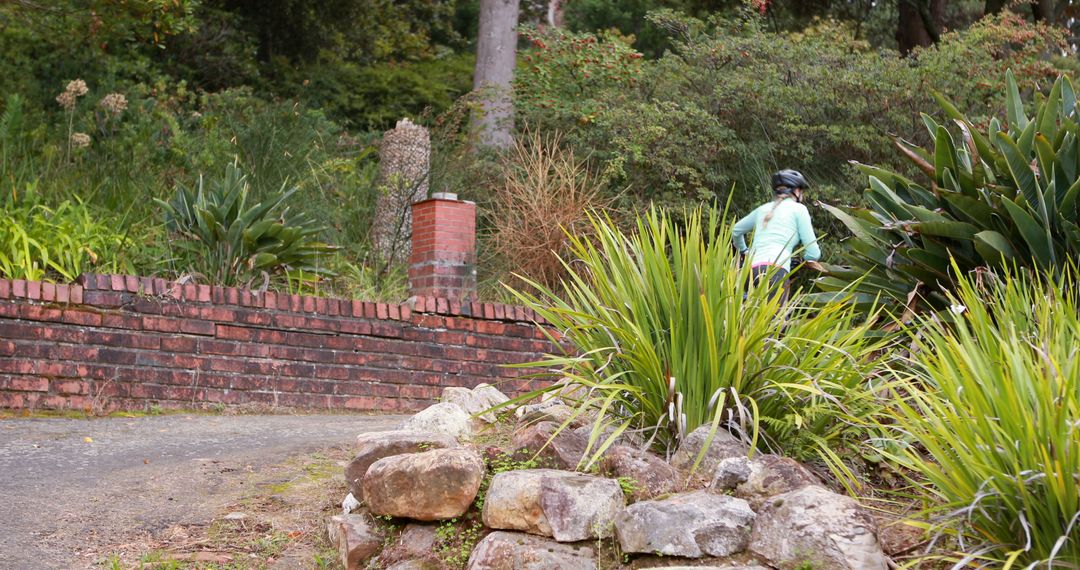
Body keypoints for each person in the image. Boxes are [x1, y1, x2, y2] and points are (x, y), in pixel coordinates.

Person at [732, 169, 822, 302]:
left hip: (750, 272)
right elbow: (813, 253)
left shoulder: (762, 209)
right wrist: (801, 262)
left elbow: (736, 230)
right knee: (776, 321)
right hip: (775, 272)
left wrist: (745, 251)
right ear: (796, 191)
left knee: (750, 319)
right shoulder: (799, 209)